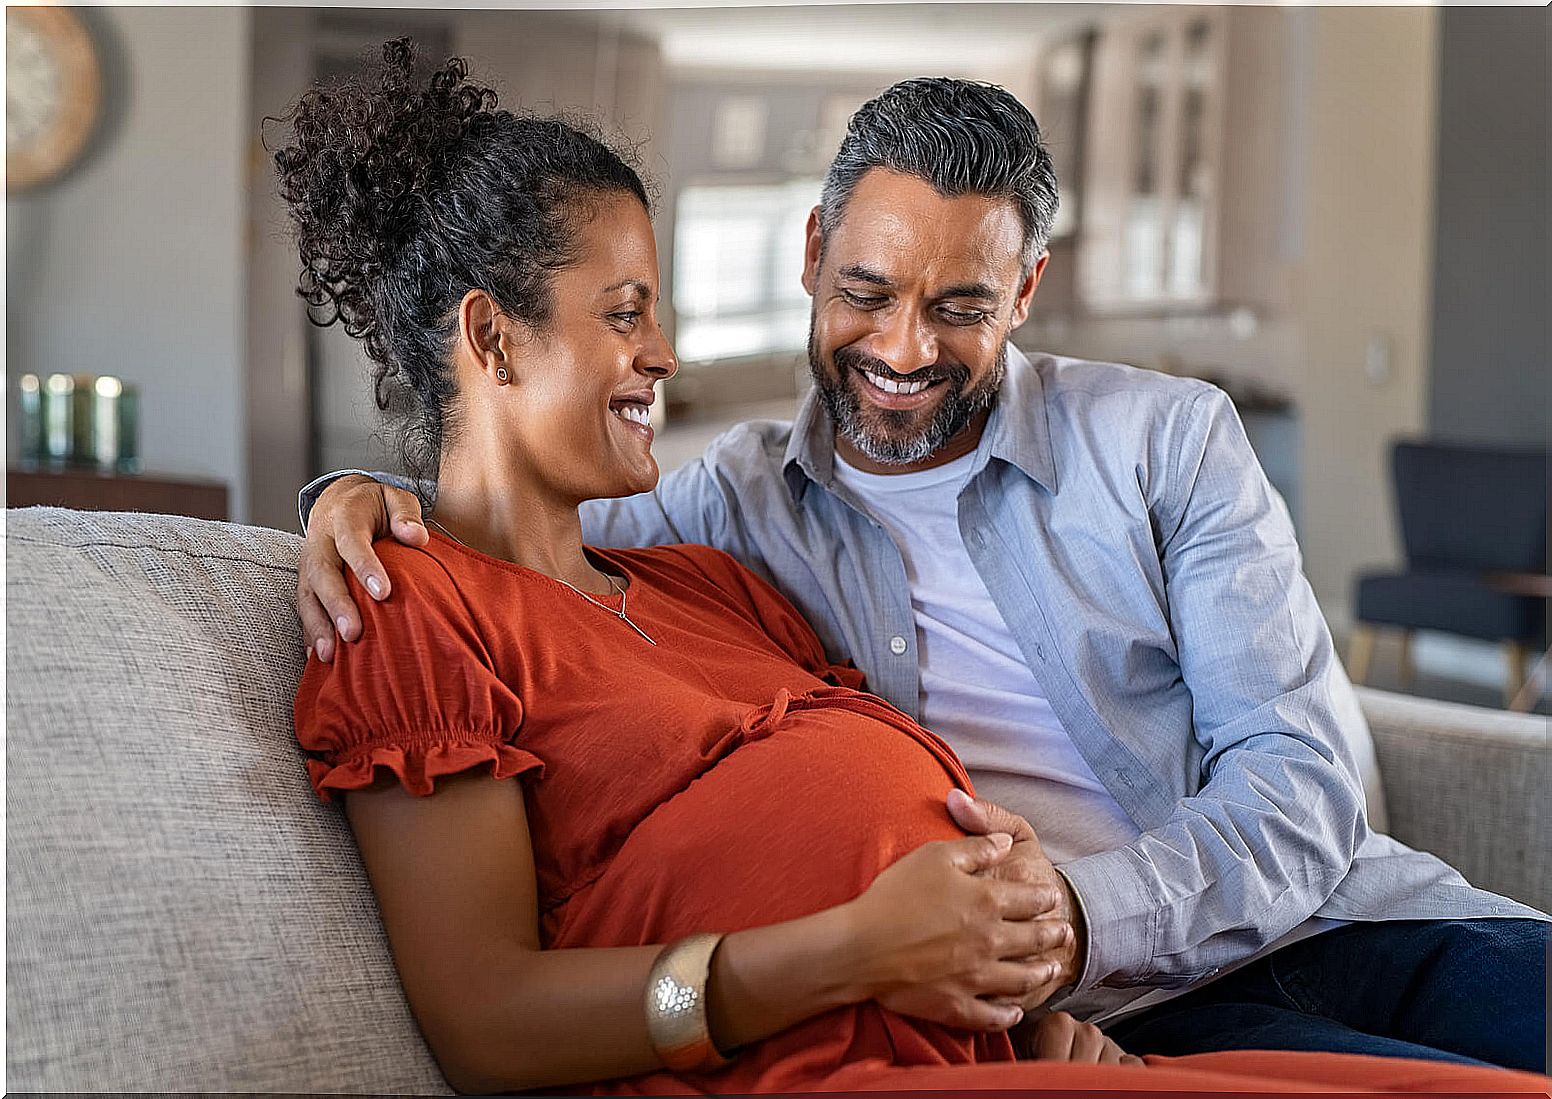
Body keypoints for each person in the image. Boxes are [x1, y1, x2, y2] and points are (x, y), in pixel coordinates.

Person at [298, 59, 1550, 1076]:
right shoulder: (726, 506)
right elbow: (509, 543)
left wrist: (1075, 918)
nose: (900, 347)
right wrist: (356, 500)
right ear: (809, 253)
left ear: (1026, 289)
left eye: (958, 305)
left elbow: (1298, 780)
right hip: (1097, 1020)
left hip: (1328, 920)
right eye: (865, 290)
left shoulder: (1166, 442)